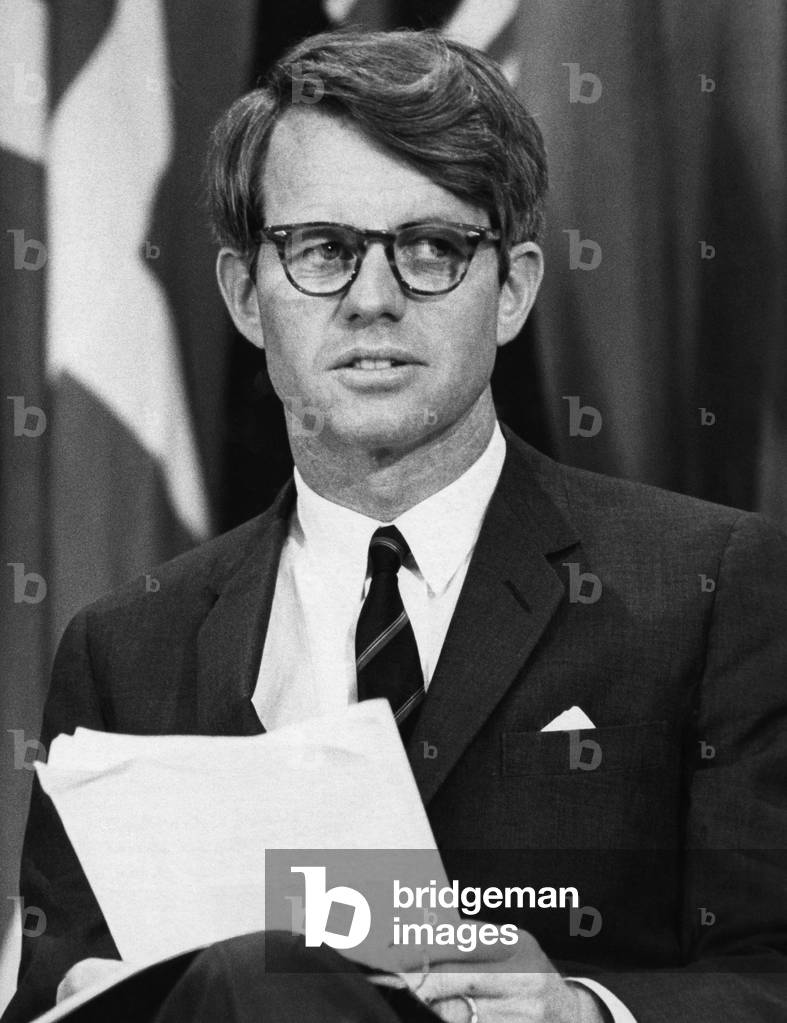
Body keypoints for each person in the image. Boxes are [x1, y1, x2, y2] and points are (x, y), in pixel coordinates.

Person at [4, 27, 787, 1023]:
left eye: (430, 249)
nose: (373, 300)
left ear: (511, 289)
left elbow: (772, 971)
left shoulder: (713, 583)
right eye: (322, 251)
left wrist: (583, 1009)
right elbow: (47, 993)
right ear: (247, 294)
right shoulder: (126, 647)